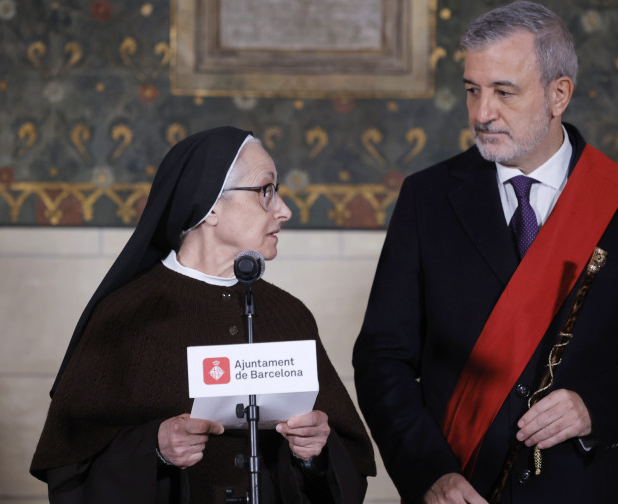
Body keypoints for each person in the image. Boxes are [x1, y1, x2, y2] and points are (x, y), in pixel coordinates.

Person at [352, 2, 618, 503]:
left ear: (559, 94)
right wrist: (430, 473)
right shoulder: (425, 199)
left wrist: (593, 408)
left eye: (503, 92)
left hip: (577, 486)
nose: (481, 112)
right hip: (458, 485)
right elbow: (383, 358)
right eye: (472, 89)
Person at [31, 126, 376, 503]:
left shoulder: (290, 314)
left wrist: (315, 453)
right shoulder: (126, 316)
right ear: (211, 206)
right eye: (266, 191)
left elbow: (349, 462)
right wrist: (155, 449)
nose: (284, 210)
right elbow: (70, 470)